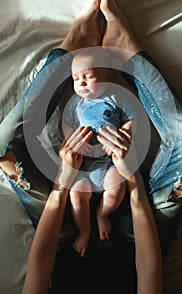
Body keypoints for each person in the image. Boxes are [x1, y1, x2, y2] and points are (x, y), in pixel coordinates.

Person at [0, 0, 182, 293]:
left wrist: (64, 179)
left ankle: (67, 54)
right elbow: (148, 265)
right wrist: (130, 174)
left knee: (4, 147)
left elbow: (40, 260)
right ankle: (129, 54)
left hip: (63, 232)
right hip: (137, 236)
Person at [59, 48, 139, 257]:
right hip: (85, 166)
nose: (81, 83)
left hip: (110, 162)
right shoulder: (75, 103)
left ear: (109, 77)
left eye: (88, 76)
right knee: (76, 194)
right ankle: (84, 230)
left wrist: (125, 135)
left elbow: (132, 118)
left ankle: (102, 214)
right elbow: (65, 123)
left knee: (116, 186)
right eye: (76, 79)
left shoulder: (117, 96)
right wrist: (71, 139)